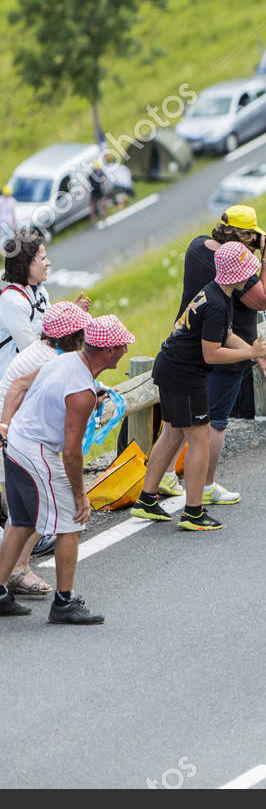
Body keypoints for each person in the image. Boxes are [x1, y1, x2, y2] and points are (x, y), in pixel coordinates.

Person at [131, 243, 266, 532]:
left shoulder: (213, 291)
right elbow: (212, 353)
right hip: (186, 375)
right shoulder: (216, 304)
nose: (248, 279)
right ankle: (193, 511)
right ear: (237, 277)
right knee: (199, 439)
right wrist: (251, 354)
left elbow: (225, 334)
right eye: (247, 274)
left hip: (171, 368)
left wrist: (255, 349)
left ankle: (146, 500)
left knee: (174, 431)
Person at [0, 315, 133, 623]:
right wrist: (80, 495)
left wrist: (5, 425)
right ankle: (64, 603)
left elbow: (21, 384)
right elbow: (72, 454)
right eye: (122, 344)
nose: (126, 347)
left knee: (22, 521)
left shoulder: (68, 360)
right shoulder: (82, 393)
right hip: (37, 452)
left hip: (17, 442)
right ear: (109, 351)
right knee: (70, 523)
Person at [176, 206, 266, 502]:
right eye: (253, 235)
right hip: (227, 350)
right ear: (243, 236)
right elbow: (263, 299)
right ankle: (205, 487)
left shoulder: (198, 246)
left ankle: (168, 478)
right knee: (215, 420)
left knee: (179, 421)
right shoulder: (234, 267)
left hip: (189, 343)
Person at [0, 300, 91, 598]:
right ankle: (22, 572)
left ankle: (9, 577)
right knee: (52, 511)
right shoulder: (52, 359)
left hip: (17, 436)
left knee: (25, 515)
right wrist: (6, 427)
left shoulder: (49, 352)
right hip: (20, 438)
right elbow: (17, 389)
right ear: (74, 335)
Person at [1, 231, 86, 385]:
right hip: (13, 385)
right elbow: (30, 352)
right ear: (26, 263)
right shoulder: (12, 301)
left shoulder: (39, 291)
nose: (48, 263)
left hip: (36, 376)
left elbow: (51, 329)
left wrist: (70, 314)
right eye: (43, 258)